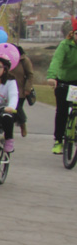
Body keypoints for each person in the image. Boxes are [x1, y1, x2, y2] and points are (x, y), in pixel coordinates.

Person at [46, 18, 77, 154]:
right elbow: (56, 60)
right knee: (62, 111)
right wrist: (52, 77)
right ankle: (58, 140)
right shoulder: (65, 45)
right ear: (73, 34)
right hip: (64, 81)